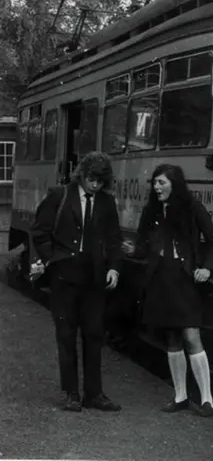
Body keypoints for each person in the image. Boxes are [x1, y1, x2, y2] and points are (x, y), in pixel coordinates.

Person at [124, 164, 213, 418]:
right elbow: (143, 247)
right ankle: (180, 397)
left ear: (174, 184)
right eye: (155, 183)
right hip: (160, 278)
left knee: (191, 335)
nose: (156, 188)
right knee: (172, 337)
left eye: (162, 183)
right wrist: (131, 250)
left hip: (184, 277)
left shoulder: (193, 207)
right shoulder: (152, 210)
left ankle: (207, 400)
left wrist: (207, 269)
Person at [31, 151, 123, 412]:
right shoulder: (59, 195)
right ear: (82, 174)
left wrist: (114, 268)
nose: (95, 185)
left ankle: (94, 394)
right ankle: (71, 393)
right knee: (66, 335)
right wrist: (52, 259)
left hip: (94, 279)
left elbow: (114, 239)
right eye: (91, 179)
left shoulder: (106, 202)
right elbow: (40, 231)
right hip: (64, 277)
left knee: (94, 335)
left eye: (100, 181)